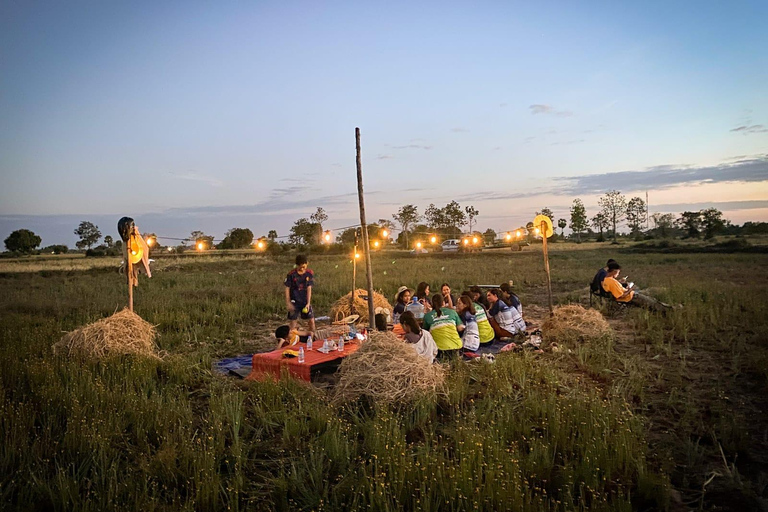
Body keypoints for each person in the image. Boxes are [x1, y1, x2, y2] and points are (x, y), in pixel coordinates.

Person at [602, 262, 672, 312]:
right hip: (631, 297)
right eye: (618, 273)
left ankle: (668, 309)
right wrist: (630, 290)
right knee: (653, 303)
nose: (618, 274)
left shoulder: (606, 280)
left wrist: (625, 288)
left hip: (629, 295)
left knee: (652, 301)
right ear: (614, 272)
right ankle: (672, 309)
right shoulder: (612, 282)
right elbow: (620, 296)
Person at [423, 294, 463, 359]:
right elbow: (460, 328)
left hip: (440, 350)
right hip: (457, 347)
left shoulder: (427, 316)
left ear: (432, 304)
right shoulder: (452, 312)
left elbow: (424, 331)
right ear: (443, 303)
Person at [284, 254, 315, 334]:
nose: (302, 269)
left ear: (307, 264)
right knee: (293, 322)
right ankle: (290, 337)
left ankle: (313, 336)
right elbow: (287, 288)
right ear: (297, 265)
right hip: (294, 300)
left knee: (311, 320)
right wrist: (288, 303)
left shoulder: (309, 273)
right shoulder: (291, 274)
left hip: (305, 301)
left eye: (303, 267)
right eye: (300, 267)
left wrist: (308, 303)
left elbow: (309, 288)